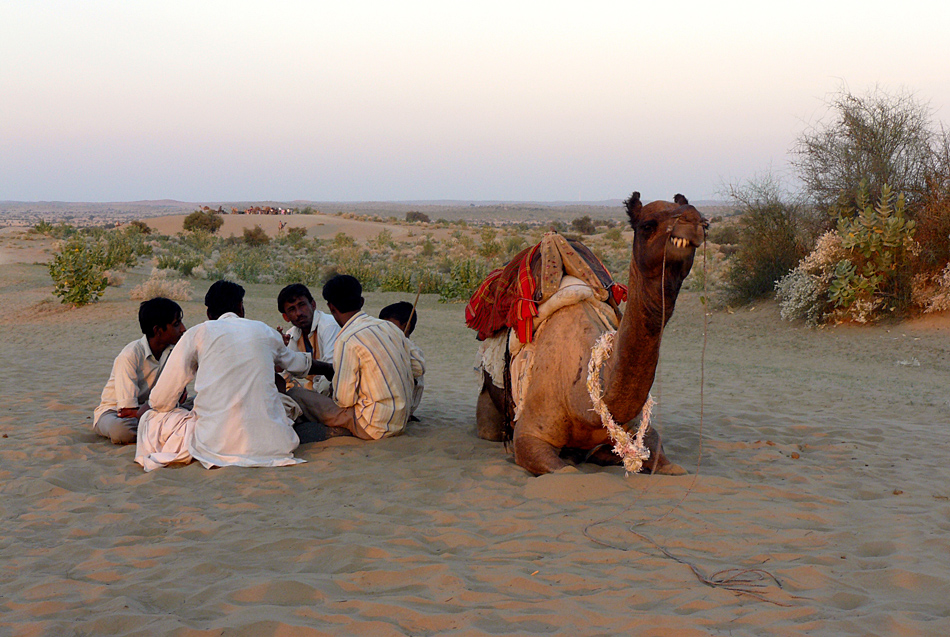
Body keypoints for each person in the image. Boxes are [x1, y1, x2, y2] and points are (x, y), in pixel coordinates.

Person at [134, 280, 312, 471]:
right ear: (240, 308)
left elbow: (162, 400)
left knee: (150, 418)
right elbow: (299, 364)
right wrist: (327, 368)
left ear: (209, 314)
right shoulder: (265, 330)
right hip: (276, 445)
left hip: (216, 445)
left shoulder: (197, 333)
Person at [287, 275, 424, 440]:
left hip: (372, 427)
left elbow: (344, 400)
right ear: (361, 301)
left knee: (296, 394)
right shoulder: (390, 327)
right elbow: (418, 367)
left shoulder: (346, 339)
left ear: (331, 307)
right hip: (400, 422)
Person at [93, 297, 186, 444]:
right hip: (117, 413)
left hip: (153, 409)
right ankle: (163, 428)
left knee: (200, 404)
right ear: (158, 331)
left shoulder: (173, 352)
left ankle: (160, 427)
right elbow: (127, 411)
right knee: (122, 431)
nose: (183, 329)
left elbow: (180, 396)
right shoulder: (130, 355)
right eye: (176, 324)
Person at [277, 283, 340, 396]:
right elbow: (285, 370)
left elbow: (332, 370)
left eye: (302, 305)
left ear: (313, 304)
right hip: (314, 390)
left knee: (326, 385)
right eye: (292, 309)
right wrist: (279, 349)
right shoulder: (292, 334)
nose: (299, 313)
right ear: (286, 317)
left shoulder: (329, 326)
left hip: (332, 388)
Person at [379, 301, 425, 419]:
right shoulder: (385, 346)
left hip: (404, 408)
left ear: (405, 326)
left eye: (389, 326)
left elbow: (419, 369)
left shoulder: (412, 350)